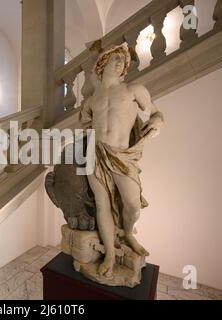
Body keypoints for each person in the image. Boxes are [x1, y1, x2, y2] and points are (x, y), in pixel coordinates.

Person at [80, 43, 164, 278]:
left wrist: (157, 122)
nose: (120, 63)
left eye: (123, 61)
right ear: (103, 63)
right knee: (101, 204)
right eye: (115, 58)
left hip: (122, 156)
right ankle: (109, 253)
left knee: (133, 204)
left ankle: (128, 233)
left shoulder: (132, 89)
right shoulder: (91, 102)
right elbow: (87, 126)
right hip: (95, 154)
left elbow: (156, 113)